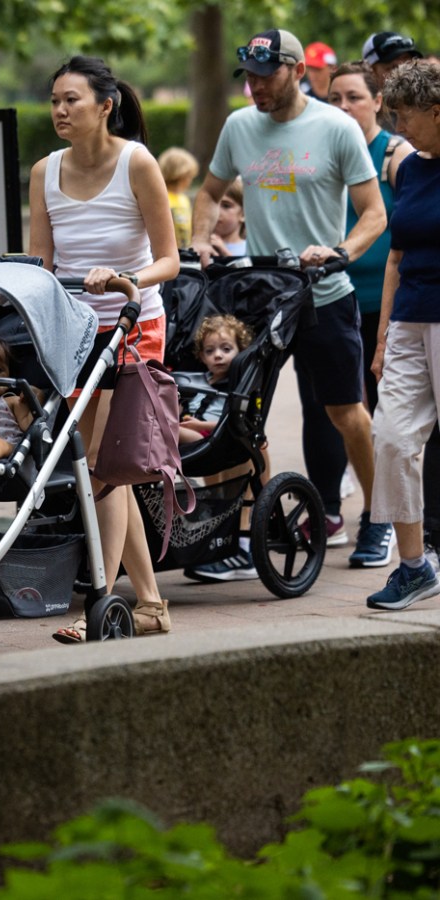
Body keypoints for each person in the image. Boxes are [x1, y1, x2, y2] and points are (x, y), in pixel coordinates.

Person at [189, 28, 392, 571]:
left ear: (298, 71)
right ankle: (242, 538)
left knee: (345, 412)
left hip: (324, 296)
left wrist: (340, 252)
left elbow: (374, 213)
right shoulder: (238, 126)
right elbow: (209, 192)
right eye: (249, 77)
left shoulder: (336, 127)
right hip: (262, 300)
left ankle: (379, 517)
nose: (255, 86)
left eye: (266, 75)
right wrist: (201, 238)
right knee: (239, 415)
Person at [28, 55, 180, 640]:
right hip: (75, 330)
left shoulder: (136, 162)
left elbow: (169, 259)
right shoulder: (44, 172)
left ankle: (99, 600)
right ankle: (150, 605)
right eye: (54, 101)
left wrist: (123, 279)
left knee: (102, 467)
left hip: (133, 326)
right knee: (104, 469)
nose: (60, 110)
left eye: (71, 100)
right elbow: (42, 264)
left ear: (105, 105)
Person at [365, 59, 440, 611]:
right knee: (391, 438)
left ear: (436, 112)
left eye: (405, 115)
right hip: (409, 320)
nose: (398, 127)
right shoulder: (410, 168)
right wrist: (384, 337)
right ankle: (414, 568)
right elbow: (396, 256)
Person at [328, 62, 413, 412]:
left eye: (354, 97)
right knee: (338, 407)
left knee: (386, 405)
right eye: (334, 99)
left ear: (378, 101)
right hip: (333, 302)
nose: (343, 106)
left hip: (383, 304)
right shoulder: (321, 151)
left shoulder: (395, 155)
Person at [178, 314, 253, 445]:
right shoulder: (200, 379)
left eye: (226, 349)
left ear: (240, 352)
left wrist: (200, 426)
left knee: (166, 430)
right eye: (209, 351)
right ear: (202, 357)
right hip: (188, 427)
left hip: (211, 437)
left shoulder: (238, 384)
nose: (217, 355)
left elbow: (237, 423)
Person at [158, 146, 198, 249]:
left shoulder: (184, 199)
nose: (191, 180)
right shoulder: (162, 198)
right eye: (189, 176)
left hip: (184, 249)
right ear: (181, 175)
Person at [209, 178, 246, 257]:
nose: (216, 211)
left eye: (226, 206)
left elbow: (246, 265)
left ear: (243, 215)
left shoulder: (249, 249)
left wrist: (225, 253)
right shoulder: (201, 245)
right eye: (212, 205)